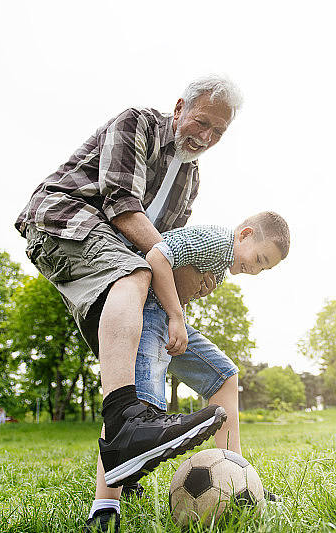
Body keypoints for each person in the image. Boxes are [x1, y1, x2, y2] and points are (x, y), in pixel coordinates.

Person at [15, 76, 244, 490]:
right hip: (64, 217)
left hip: (122, 266)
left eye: (218, 131)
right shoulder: (137, 123)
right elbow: (123, 211)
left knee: (144, 322)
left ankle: (128, 462)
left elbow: (168, 248)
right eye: (201, 121)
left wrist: (186, 290)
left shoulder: (190, 179)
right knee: (135, 272)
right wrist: (173, 279)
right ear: (179, 109)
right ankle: (127, 421)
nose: (206, 136)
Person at [85, 211, 290, 532]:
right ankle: (105, 504)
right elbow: (157, 255)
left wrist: (189, 295)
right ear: (245, 234)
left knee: (224, 374)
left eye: (265, 267)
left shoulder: (221, 267)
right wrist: (176, 316)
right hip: (148, 311)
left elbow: (177, 276)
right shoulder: (218, 240)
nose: (256, 269)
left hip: (168, 316)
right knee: (137, 407)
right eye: (260, 258)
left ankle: (236, 474)